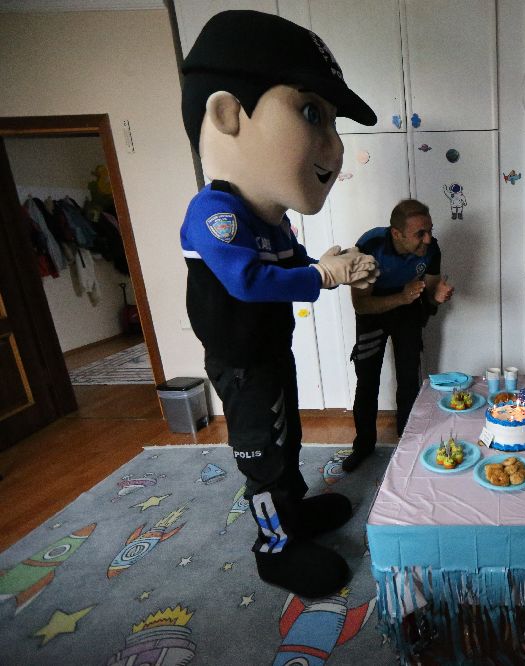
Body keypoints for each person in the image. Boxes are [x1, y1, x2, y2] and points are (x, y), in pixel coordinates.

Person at [179, 10, 379, 598]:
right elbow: (246, 281)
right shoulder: (213, 213)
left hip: (272, 349)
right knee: (261, 457)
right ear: (226, 114)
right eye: (312, 113)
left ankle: (293, 513)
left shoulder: (273, 218)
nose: (334, 148)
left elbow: (290, 265)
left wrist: (332, 262)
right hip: (241, 362)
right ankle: (274, 546)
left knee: (285, 436)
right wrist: (322, 275)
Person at [343, 199, 455, 472]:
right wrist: (402, 296)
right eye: (420, 233)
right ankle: (364, 446)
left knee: (409, 381)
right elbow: (361, 304)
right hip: (373, 313)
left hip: (407, 312)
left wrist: (436, 298)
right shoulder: (369, 248)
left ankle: (407, 443)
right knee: (367, 381)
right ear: (397, 233)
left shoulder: (432, 249)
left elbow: (428, 293)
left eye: (429, 230)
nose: (428, 239)